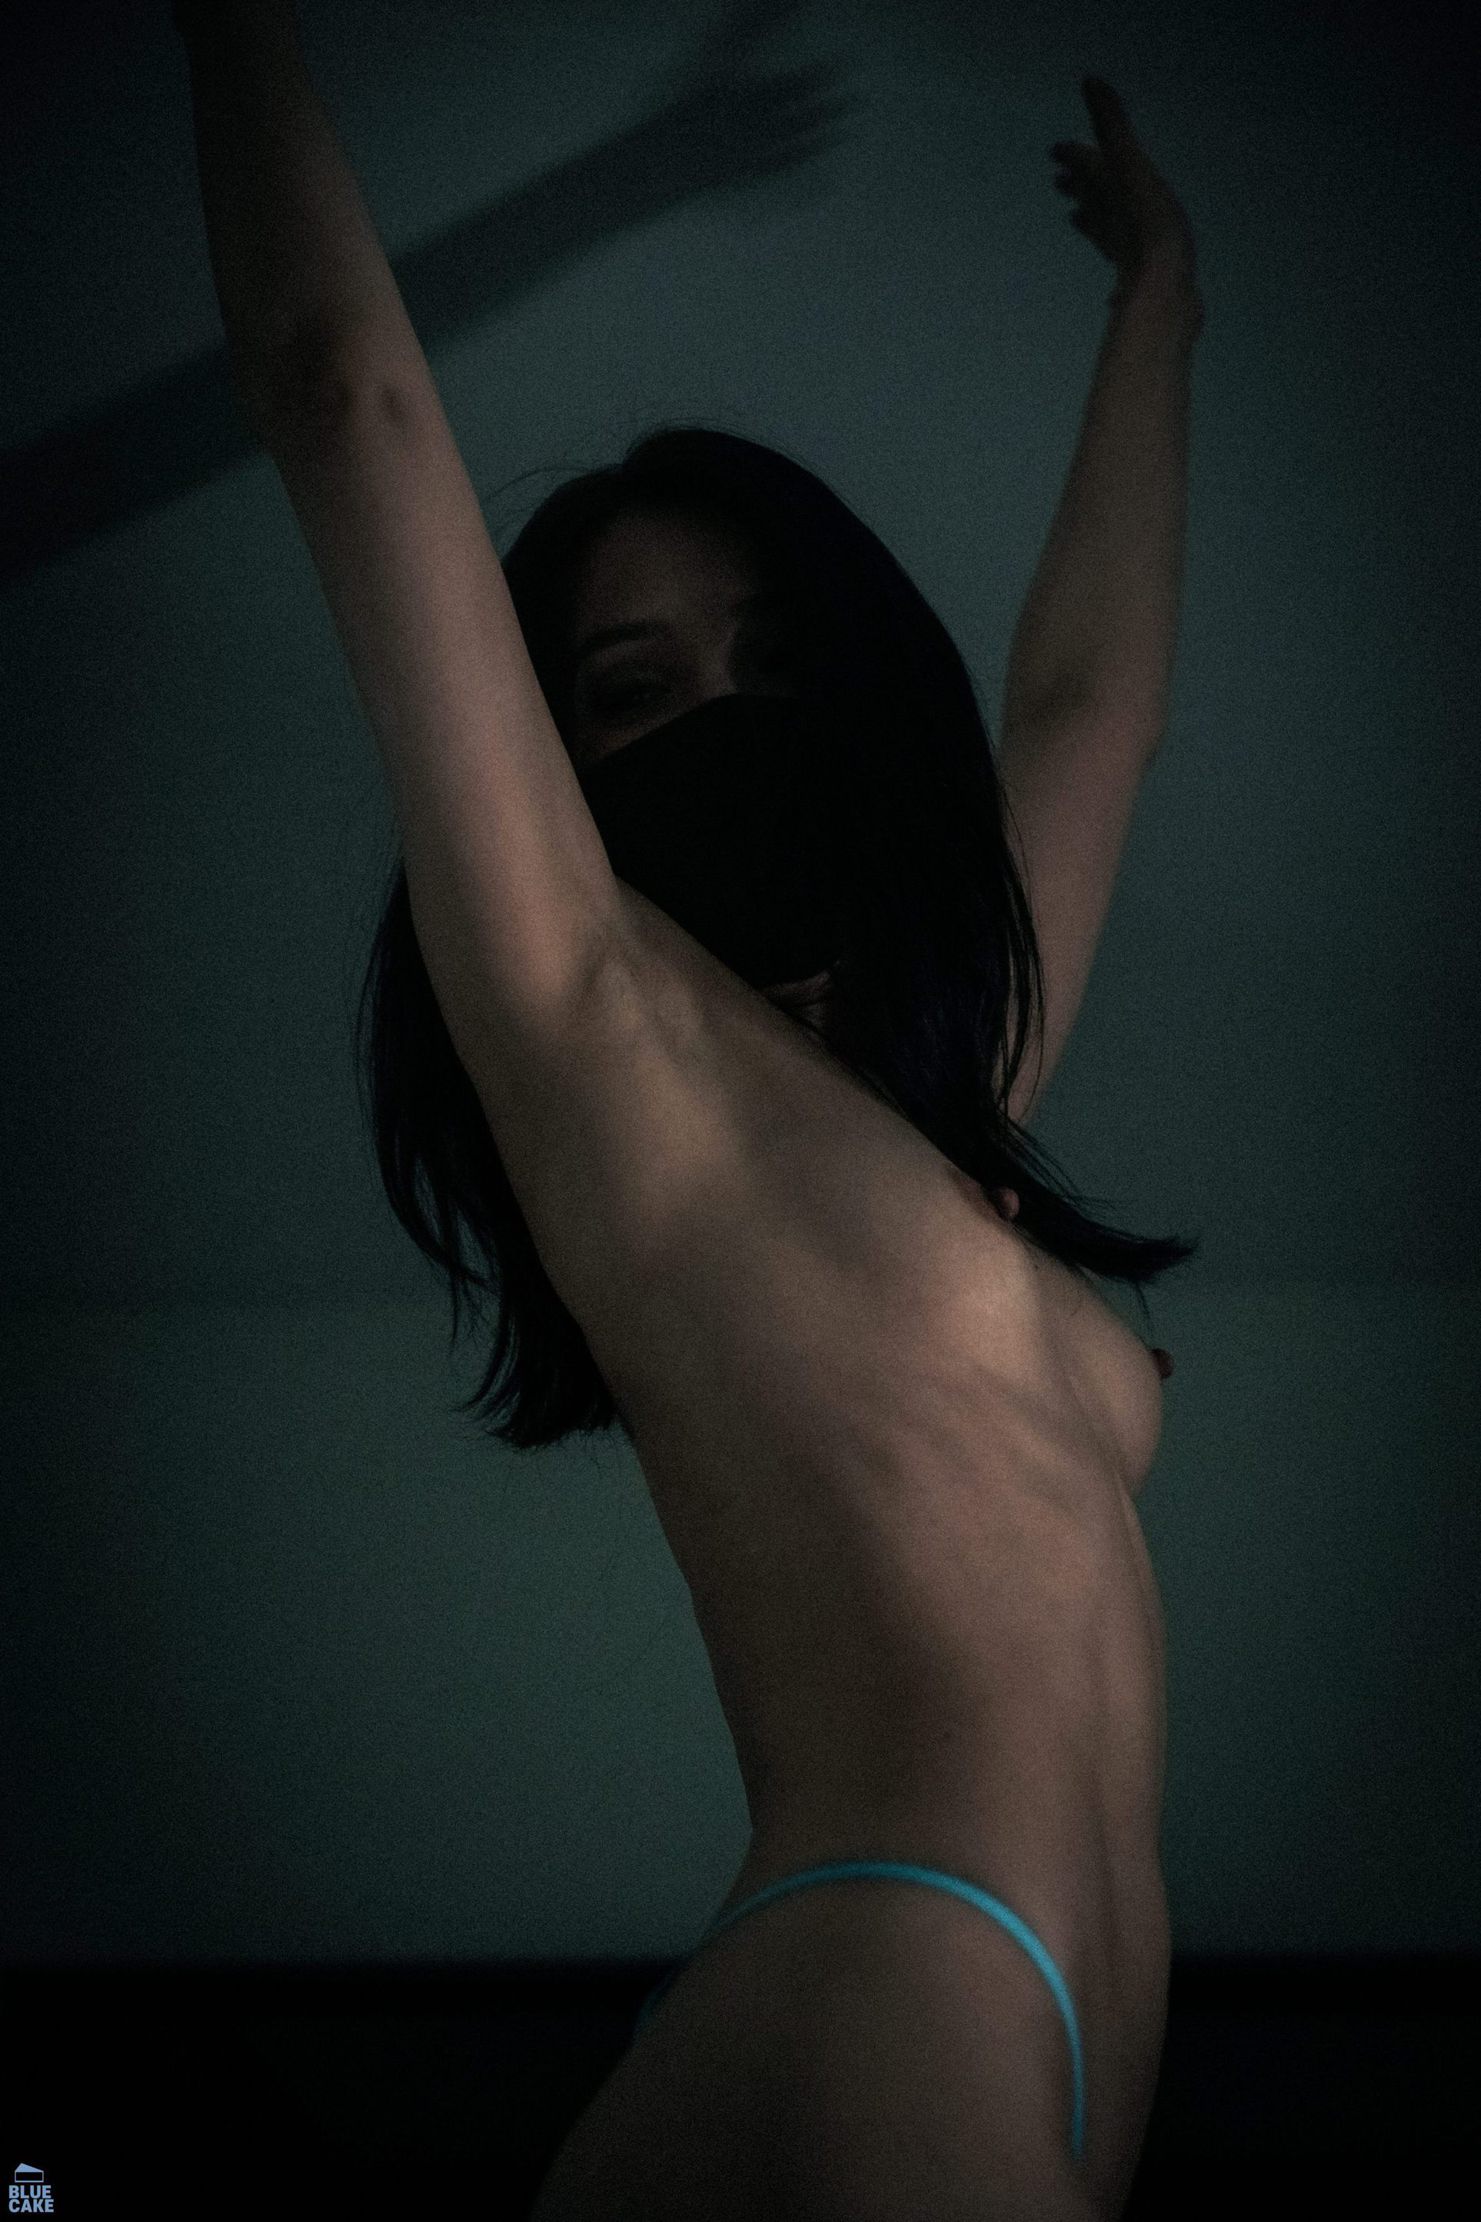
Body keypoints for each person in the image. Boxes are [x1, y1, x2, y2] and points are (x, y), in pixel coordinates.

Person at [178, 6, 1202, 2211]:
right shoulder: (612, 1052)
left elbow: (1089, 707)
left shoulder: (950, 1120)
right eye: (634, 692)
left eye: (773, 664)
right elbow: (344, 396)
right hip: (898, 1990)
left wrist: (1162, 299)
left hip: (997, 2031)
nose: (729, 730)